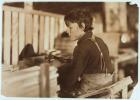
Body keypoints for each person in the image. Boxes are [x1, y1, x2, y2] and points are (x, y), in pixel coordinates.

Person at [55, 9, 114, 98]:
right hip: (107, 83)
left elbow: (73, 76)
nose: (67, 31)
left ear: (82, 26)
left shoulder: (81, 48)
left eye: (70, 27)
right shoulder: (98, 40)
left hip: (94, 89)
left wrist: (59, 85)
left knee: (62, 89)